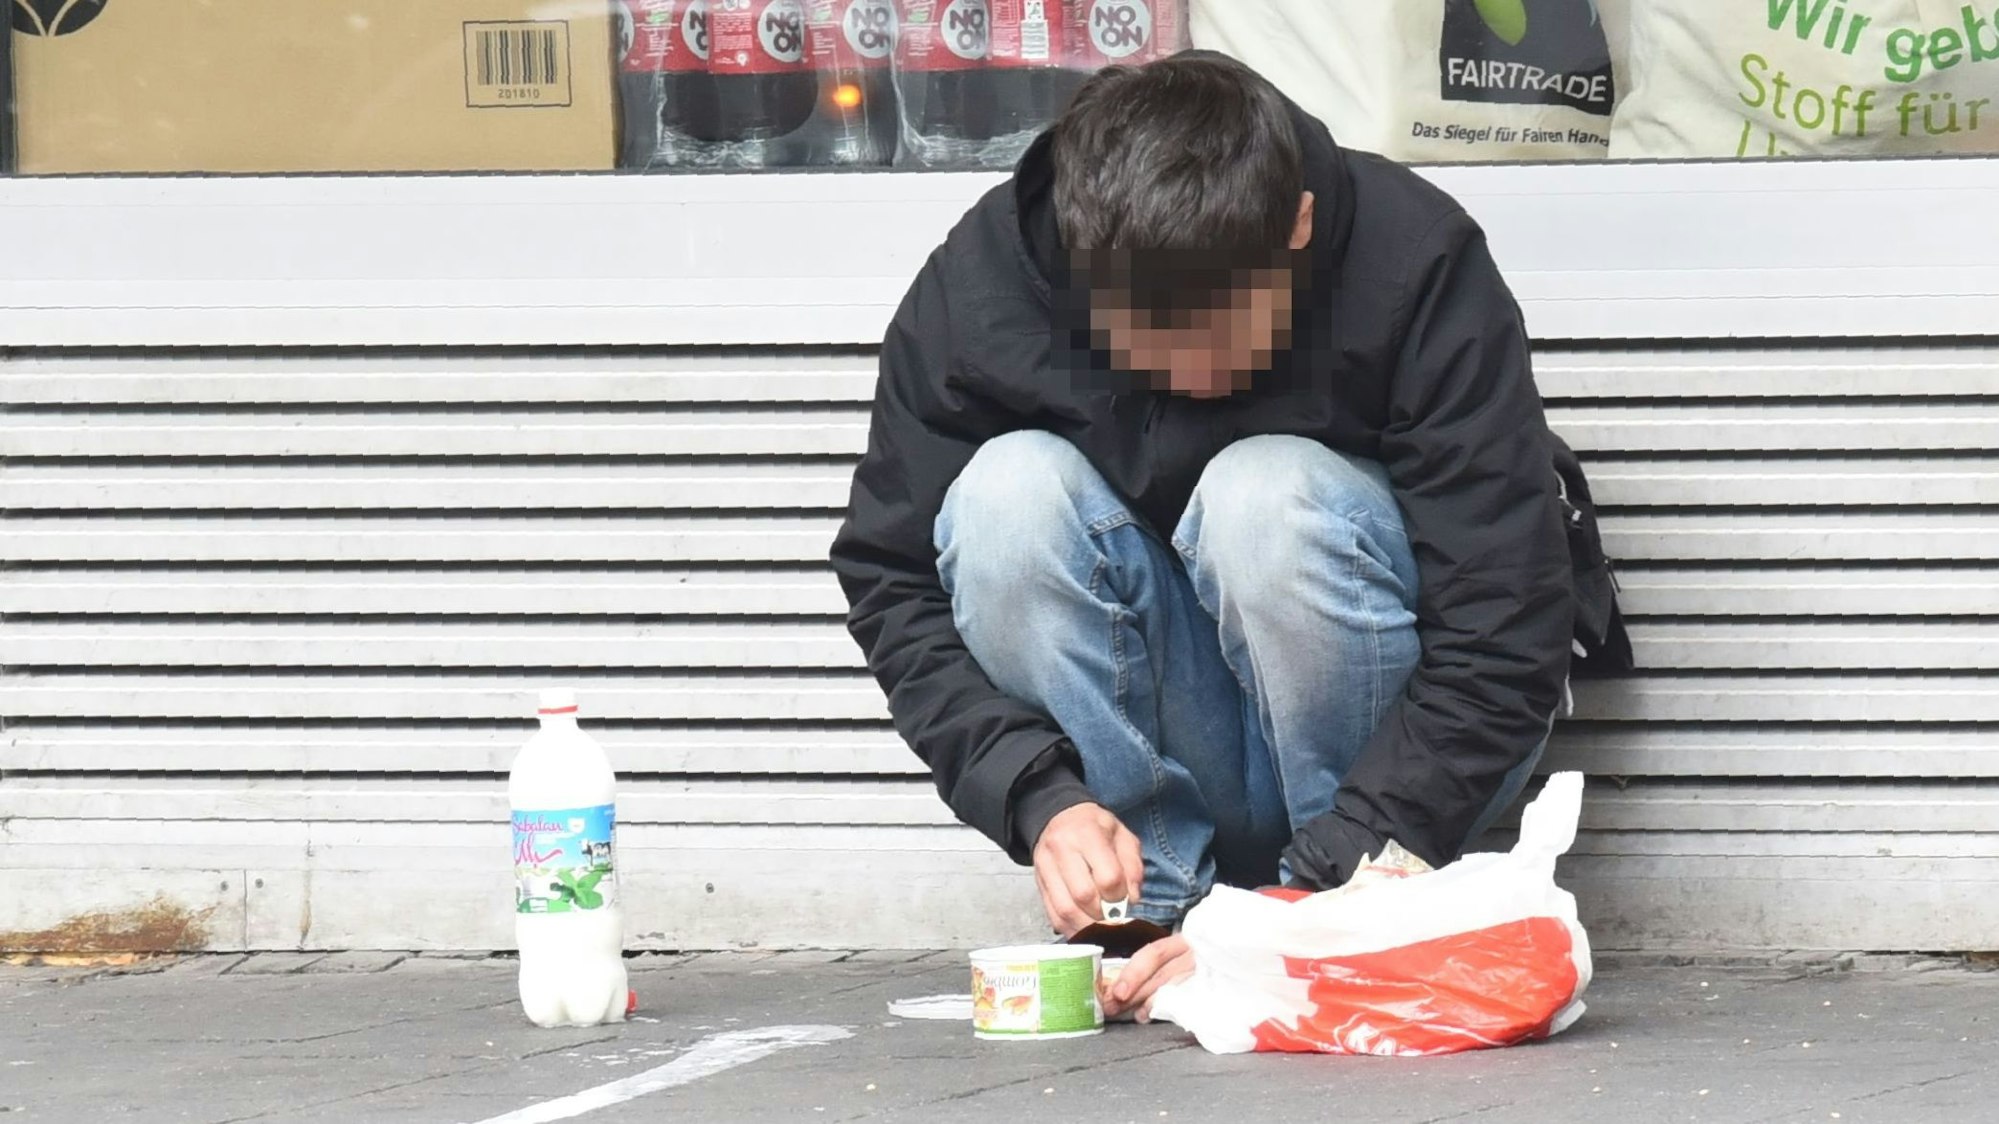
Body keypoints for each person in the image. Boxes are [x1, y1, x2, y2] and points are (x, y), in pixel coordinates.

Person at [829, 52, 1631, 1021]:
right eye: (1142, 337)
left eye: (1215, 328)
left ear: (1295, 226)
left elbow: (1505, 626)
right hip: (1191, 740)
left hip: (1404, 772)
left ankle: (1340, 916)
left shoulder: (1414, 260)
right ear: (1085, 263)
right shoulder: (988, 282)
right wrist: (1036, 794)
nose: (1183, 368)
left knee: (1266, 493)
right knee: (1003, 496)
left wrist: (1297, 911)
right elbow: (890, 574)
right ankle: (1141, 921)